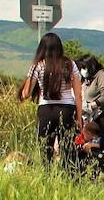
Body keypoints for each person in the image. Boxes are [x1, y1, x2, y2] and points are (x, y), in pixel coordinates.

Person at [21, 33, 83, 166]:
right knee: (68, 149)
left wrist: (29, 75)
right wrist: (79, 118)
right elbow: (78, 95)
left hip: (46, 110)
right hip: (67, 109)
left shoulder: (38, 65)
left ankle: (47, 177)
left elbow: (26, 94)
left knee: (45, 149)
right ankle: (69, 178)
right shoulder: (70, 64)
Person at [76, 54, 104, 140]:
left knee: (93, 136)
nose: (82, 70)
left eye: (84, 67)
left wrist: (91, 106)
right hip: (91, 115)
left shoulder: (102, 76)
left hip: (103, 114)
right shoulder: (88, 79)